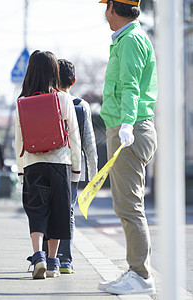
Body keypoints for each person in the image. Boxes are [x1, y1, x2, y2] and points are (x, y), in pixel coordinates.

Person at [98, 0, 158, 295]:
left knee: (130, 207)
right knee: (127, 207)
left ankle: (141, 276)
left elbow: (131, 86)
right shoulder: (129, 38)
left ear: (112, 8)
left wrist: (125, 124)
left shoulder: (131, 39)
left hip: (129, 129)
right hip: (129, 127)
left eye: (104, 6)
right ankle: (136, 270)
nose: (103, 13)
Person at [15, 50, 81, 279]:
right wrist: (76, 170)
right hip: (59, 164)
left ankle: (38, 257)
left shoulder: (22, 102)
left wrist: (21, 170)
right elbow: (74, 137)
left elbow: (19, 140)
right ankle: (53, 262)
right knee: (59, 212)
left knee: (37, 211)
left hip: (33, 164)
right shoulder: (63, 99)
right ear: (54, 72)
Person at [57, 59, 98, 273]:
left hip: (48, 165)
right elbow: (89, 144)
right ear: (73, 81)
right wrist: (94, 175)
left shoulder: (46, 101)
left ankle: (47, 257)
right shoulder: (80, 106)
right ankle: (65, 260)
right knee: (68, 213)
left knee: (47, 211)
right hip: (72, 168)